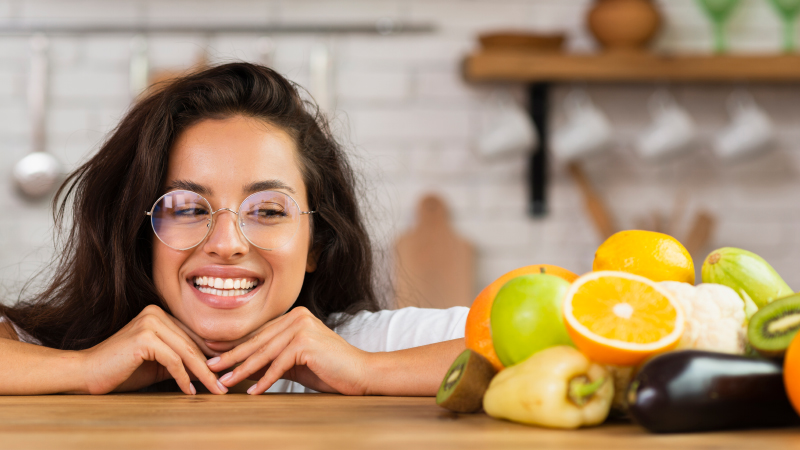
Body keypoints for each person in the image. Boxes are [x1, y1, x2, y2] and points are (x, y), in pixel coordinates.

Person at [0, 63, 468, 396]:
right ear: (141, 236)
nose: (226, 245)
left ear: (315, 245)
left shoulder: (363, 347)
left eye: (267, 211)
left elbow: (541, 340)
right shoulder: (72, 354)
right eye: (186, 209)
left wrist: (368, 373)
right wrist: (84, 369)